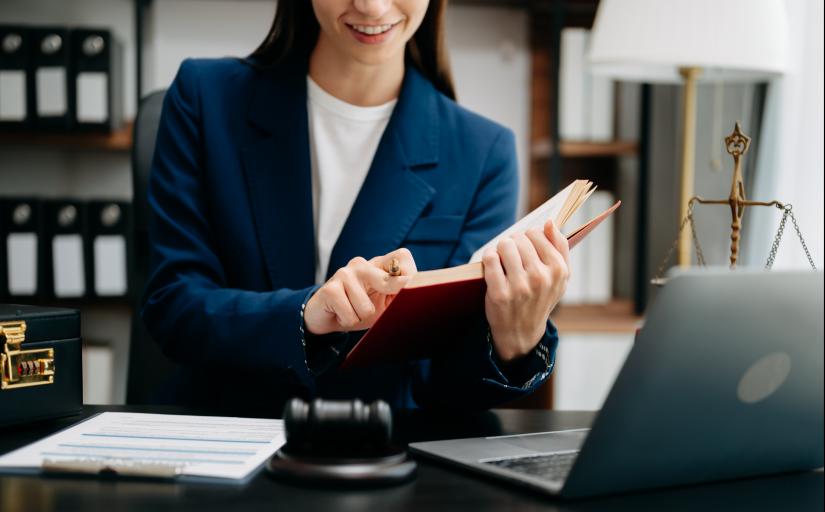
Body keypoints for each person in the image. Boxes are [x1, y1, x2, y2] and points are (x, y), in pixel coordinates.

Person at [142, 0, 570, 416]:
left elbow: (445, 386)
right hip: (227, 435)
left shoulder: (483, 151)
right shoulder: (204, 97)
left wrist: (514, 340)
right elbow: (174, 305)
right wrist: (306, 314)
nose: (372, 7)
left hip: (386, 453)